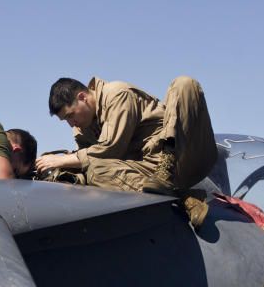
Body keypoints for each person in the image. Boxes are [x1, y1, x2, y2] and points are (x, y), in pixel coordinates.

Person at [35, 76, 218, 226]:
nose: (71, 123)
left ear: (83, 97)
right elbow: (90, 162)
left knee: (184, 84)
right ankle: (183, 197)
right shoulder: (83, 127)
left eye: (70, 115)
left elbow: (111, 148)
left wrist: (61, 160)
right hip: (149, 174)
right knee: (96, 170)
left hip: (184, 155)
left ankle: (170, 177)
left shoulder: (117, 94)